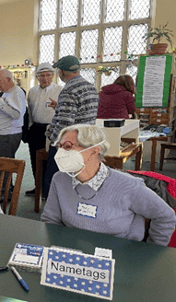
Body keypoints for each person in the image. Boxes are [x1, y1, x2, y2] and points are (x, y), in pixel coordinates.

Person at [41, 124, 176, 246]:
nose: (61, 153)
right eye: (60, 146)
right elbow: (50, 219)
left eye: (68, 146)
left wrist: (150, 252)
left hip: (121, 256)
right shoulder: (59, 179)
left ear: (94, 151)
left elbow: (166, 216)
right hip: (75, 254)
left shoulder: (128, 185)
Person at [44, 55, 99, 199]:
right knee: (79, 180)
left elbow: (65, 124)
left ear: (61, 72)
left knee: (59, 181)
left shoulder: (69, 90)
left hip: (69, 146)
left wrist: (53, 139)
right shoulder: (91, 87)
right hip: (85, 142)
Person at [25, 63, 63, 195]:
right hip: (35, 129)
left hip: (52, 130)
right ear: (37, 77)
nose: (45, 78)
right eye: (42, 75)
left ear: (53, 76)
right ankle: (38, 187)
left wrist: (57, 106)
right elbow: (29, 111)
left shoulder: (59, 90)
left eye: (48, 75)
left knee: (50, 160)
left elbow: (64, 111)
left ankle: (50, 190)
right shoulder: (32, 91)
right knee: (35, 159)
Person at [0, 69, 26, 199]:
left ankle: (4, 193)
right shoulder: (8, 93)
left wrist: (0, 103)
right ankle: (5, 190)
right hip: (3, 134)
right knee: (3, 163)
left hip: (6, 135)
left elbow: (16, 114)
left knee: (2, 165)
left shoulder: (16, 93)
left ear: (9, 79)